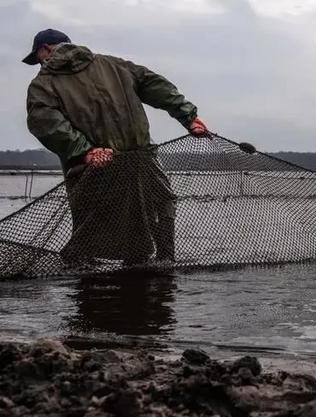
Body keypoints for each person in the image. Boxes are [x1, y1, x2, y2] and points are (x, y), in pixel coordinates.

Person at [24, 29, 208, 264]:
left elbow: (46, 123)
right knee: (162, 203)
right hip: (141, 158)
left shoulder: (42, 84)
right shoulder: (114, 65)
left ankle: (95, 286)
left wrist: (85, 151)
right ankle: (164, 265)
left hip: (94, 166)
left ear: (45, 49)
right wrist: (188, 117)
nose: (39, 63)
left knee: (92, 225)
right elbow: (156, 85)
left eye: (37, 57)